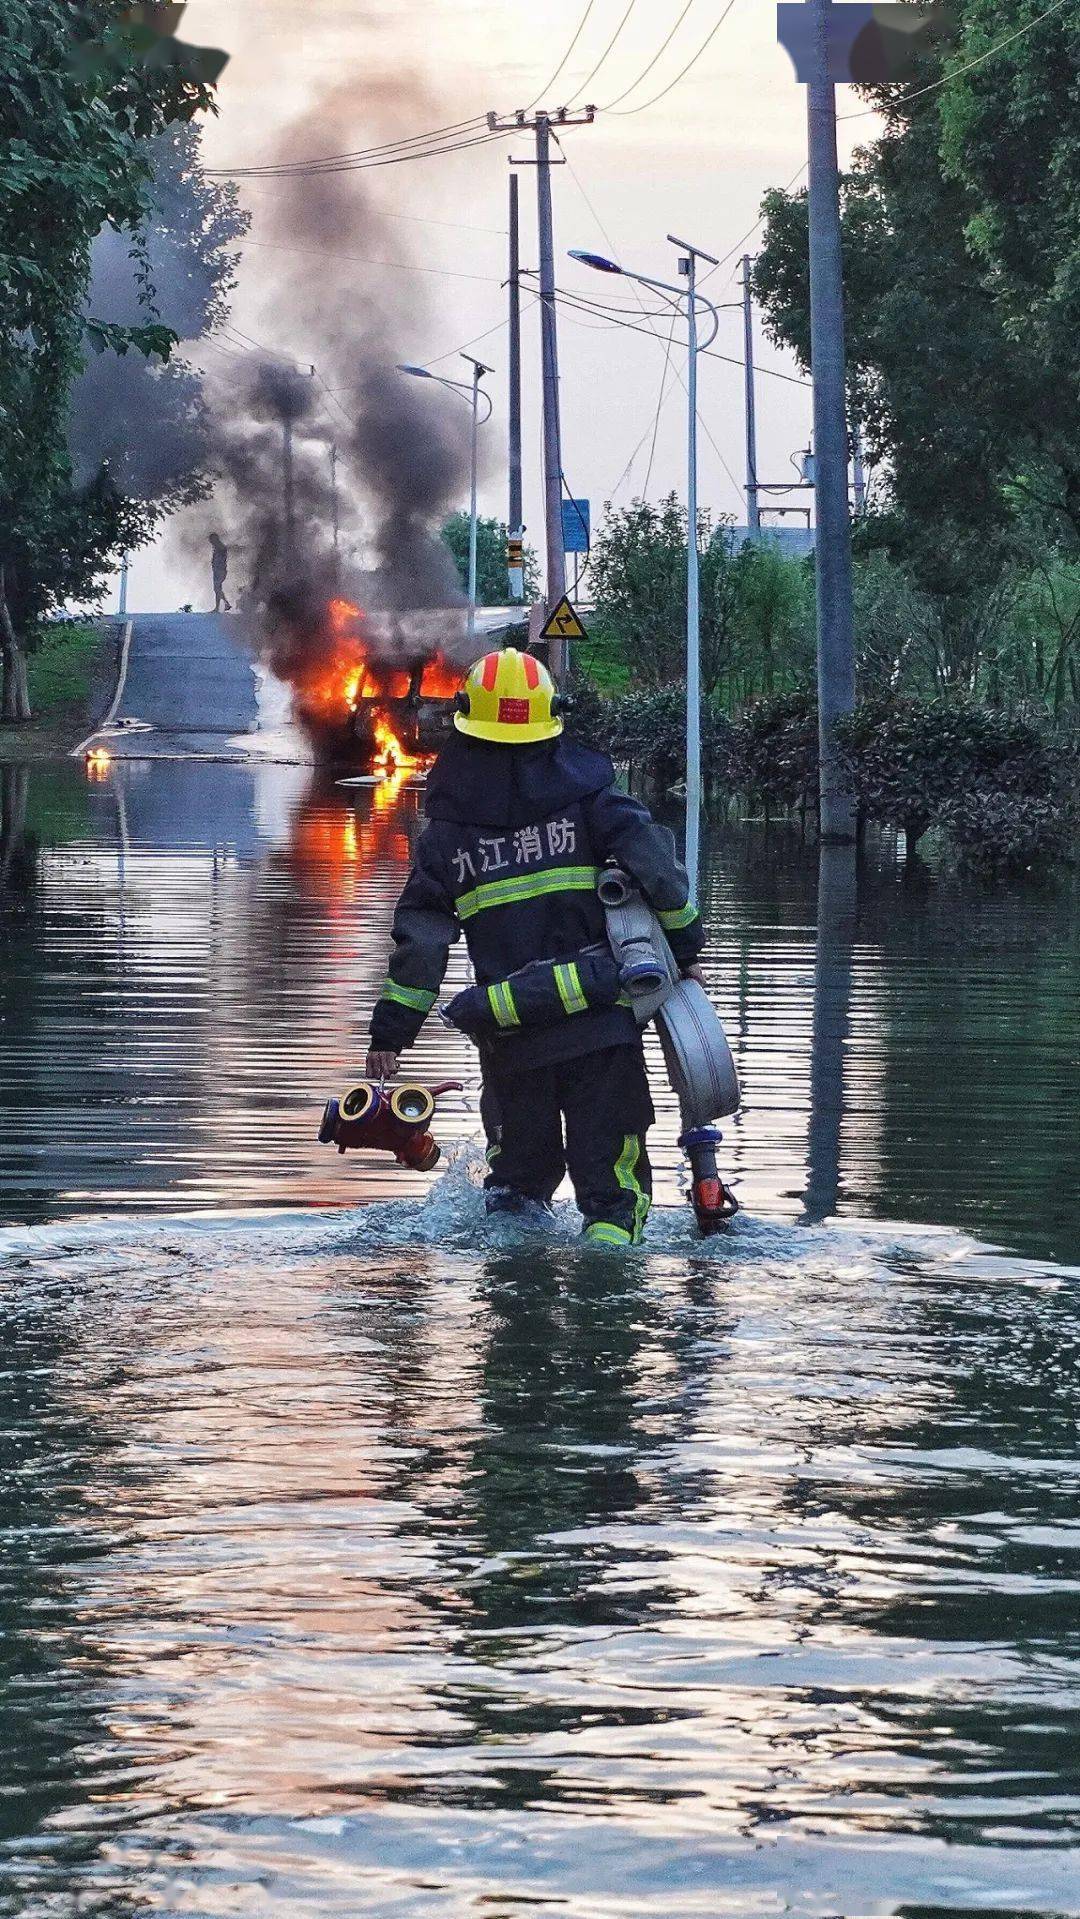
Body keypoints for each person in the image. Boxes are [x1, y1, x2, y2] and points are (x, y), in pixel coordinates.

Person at [366, 648, 705, 1247]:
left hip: (511, 1040)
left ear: (466, 722)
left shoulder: (448, 834)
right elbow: (660, 874)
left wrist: (391, 1035)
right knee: (613, 1196)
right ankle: (608, 1319)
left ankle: (513, 1323)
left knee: (516, 1194)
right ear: (552, 721)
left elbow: (421, 941)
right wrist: (685, 946)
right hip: (603, 1032)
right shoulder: (596, 803)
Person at [209, 533, 232, 614]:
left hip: (220, 570)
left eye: (211, 539)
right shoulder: (218, 547)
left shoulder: (220, 547)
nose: (210, 541)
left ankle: (218, 607)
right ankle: (226, 604)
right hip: (218, 570)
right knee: (217, 589)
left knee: (217, 588)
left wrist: (217, 567)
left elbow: (221, 560)